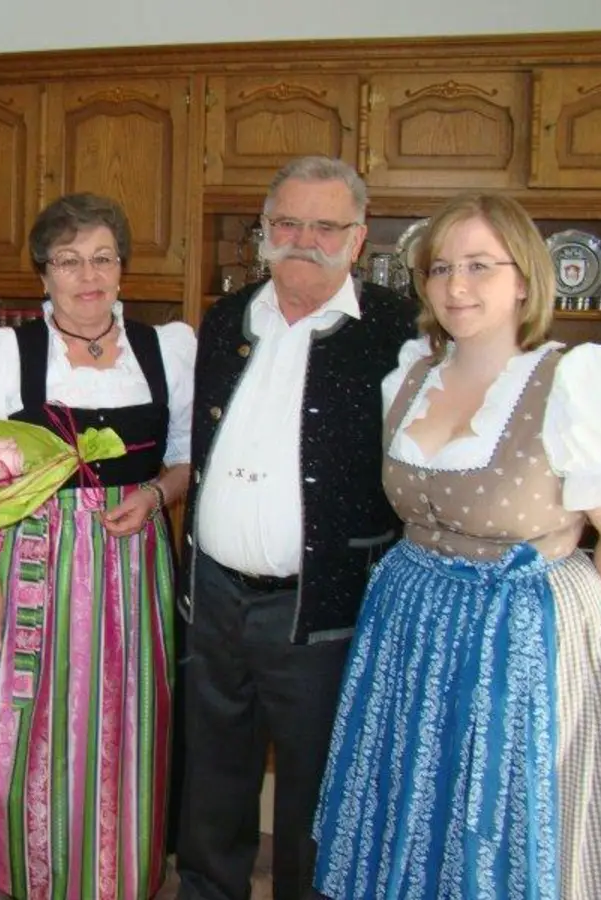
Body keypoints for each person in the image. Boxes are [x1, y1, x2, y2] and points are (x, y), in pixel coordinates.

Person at [311, 191, 601, 899]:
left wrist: (553, 638)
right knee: (409, 804)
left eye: (480, 266)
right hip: (408, 627)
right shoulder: (412, 374)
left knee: (494, 825)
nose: (456, 286)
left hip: (515, 640)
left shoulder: (573, 381)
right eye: (440, 269)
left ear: (524, 276)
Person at [0, 193, 195, 899]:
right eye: (69, 260)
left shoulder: (166, 347)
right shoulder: (2, 353)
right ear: (44, 273)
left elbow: (181, 459)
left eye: (103, 258)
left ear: (124, 268)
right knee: (33, 721)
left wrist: (155, 496)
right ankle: (37, 870)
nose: (89, 275)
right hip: (32, 560)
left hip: (134, 561)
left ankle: (121, 869)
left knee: (129, 714)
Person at [175, 156, 416, 900]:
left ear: (359, 236)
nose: (303, 239)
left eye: (325, 225)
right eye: (286, 222)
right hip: (212, 597)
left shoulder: (398, 331)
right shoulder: (226, 318)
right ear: (264, 231)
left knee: (317, 791)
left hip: (321, 608)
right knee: (211, 775)